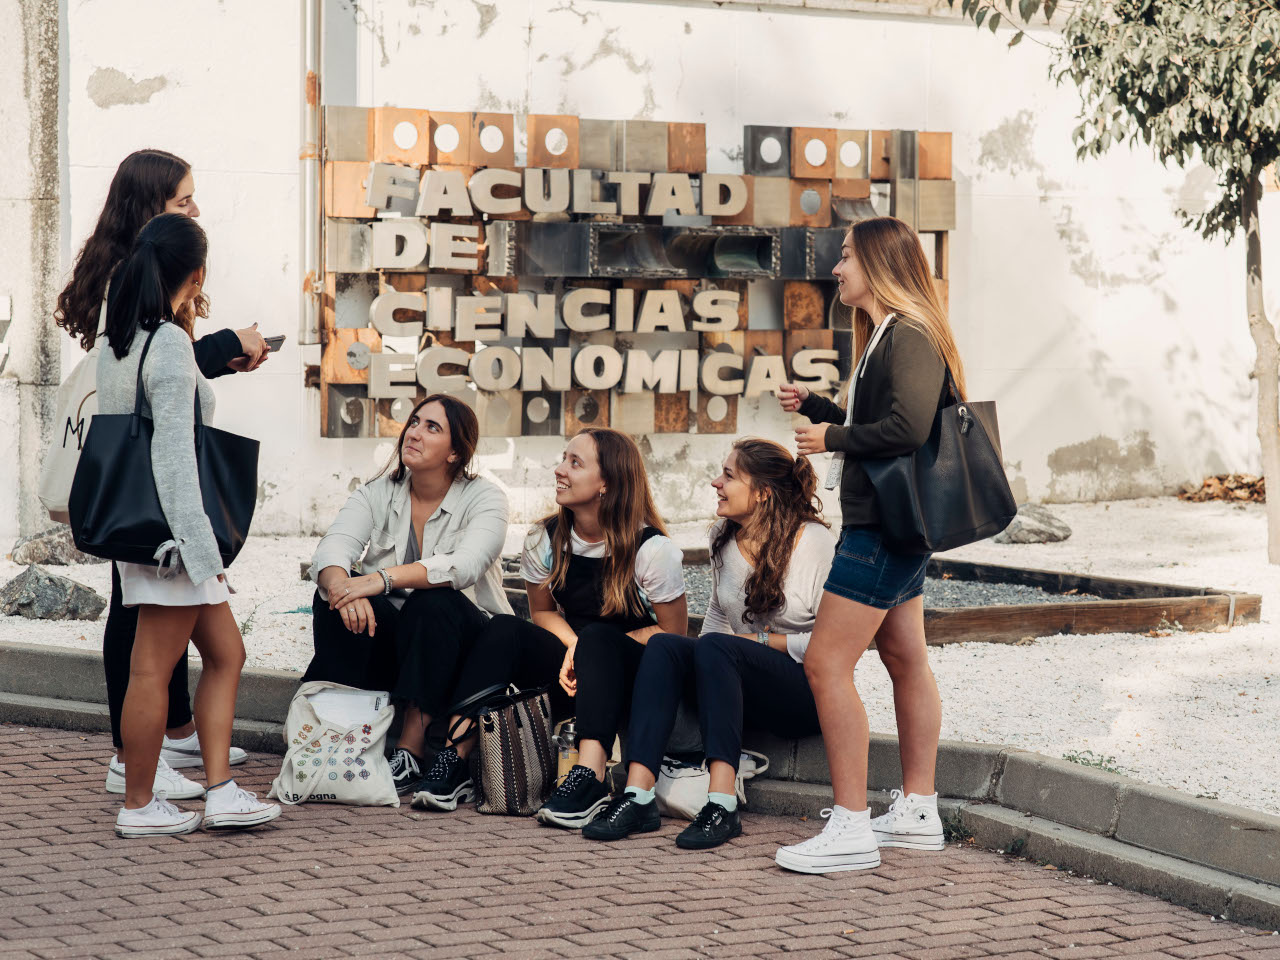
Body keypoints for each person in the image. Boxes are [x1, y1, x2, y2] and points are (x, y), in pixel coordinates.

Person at [53, 148, 270, 801]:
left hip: (150, 513)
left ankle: (186, 770)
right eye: (183, 200)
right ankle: (143, 780)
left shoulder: (128, 300)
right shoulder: (144, 305)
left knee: (203, 653)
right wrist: (201, 550)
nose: (194, 207)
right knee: (151, 655)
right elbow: (169, 430)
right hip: (167, 521)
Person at [773, 215, 964, 872]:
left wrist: (832, 440)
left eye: (847, 256)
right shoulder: (889, 333)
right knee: (906, 658)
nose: (836, 268)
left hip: (881, 531)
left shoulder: (908, 333)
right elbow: (883, 419)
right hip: (891, 525)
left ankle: (851, 826)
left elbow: (907, 428)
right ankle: (917, 808)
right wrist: (827, 411)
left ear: (879, 263)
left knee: (825, 665)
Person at [98, 213, 279, 837]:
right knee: (152, 669)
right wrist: (202, 552)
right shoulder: (168, 343)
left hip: (147, 529)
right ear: (196, 274)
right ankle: (141, 802)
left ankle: (220, 789)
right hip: (174, 538)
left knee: (227, 652)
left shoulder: (123, 333)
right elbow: (173, 458)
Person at [410, 428, 687, 822]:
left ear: (607, 482)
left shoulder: (652, 550)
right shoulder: (545, 537)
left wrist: (591, 648)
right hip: (571, 671)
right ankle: (455, 758)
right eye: (563, 459)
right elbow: (543, 613)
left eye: (575, 463)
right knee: (505, 627)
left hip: (629, 677)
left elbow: (673, 633)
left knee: (598, 641)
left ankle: (588, 779)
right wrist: (575, 648)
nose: (559, 470)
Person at [582, 438, 834, 849]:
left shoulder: (813, 542)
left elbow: (833, 644)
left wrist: (760, 641)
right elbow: (717, 620)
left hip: (805, 693)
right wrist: (707, 664)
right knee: (667, 645)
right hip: (741, 682)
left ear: (763, 492)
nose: (716, 483)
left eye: (729, 475)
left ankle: (721, 804)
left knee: (717, 647)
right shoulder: (723, 536)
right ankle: (639, 794)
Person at [303, 393, 512, 795]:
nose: (414, 432)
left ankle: (410, 754)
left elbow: (463, 565)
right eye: (414, 421)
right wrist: (344, 588)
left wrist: (378, 580)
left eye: (432, 427)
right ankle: (341, 732)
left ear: (455, 452)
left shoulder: (485, 497)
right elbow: (331, 550)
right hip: (403, 652)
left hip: (464, 653)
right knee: (331, 599)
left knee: (431, 600)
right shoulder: (379, 491)